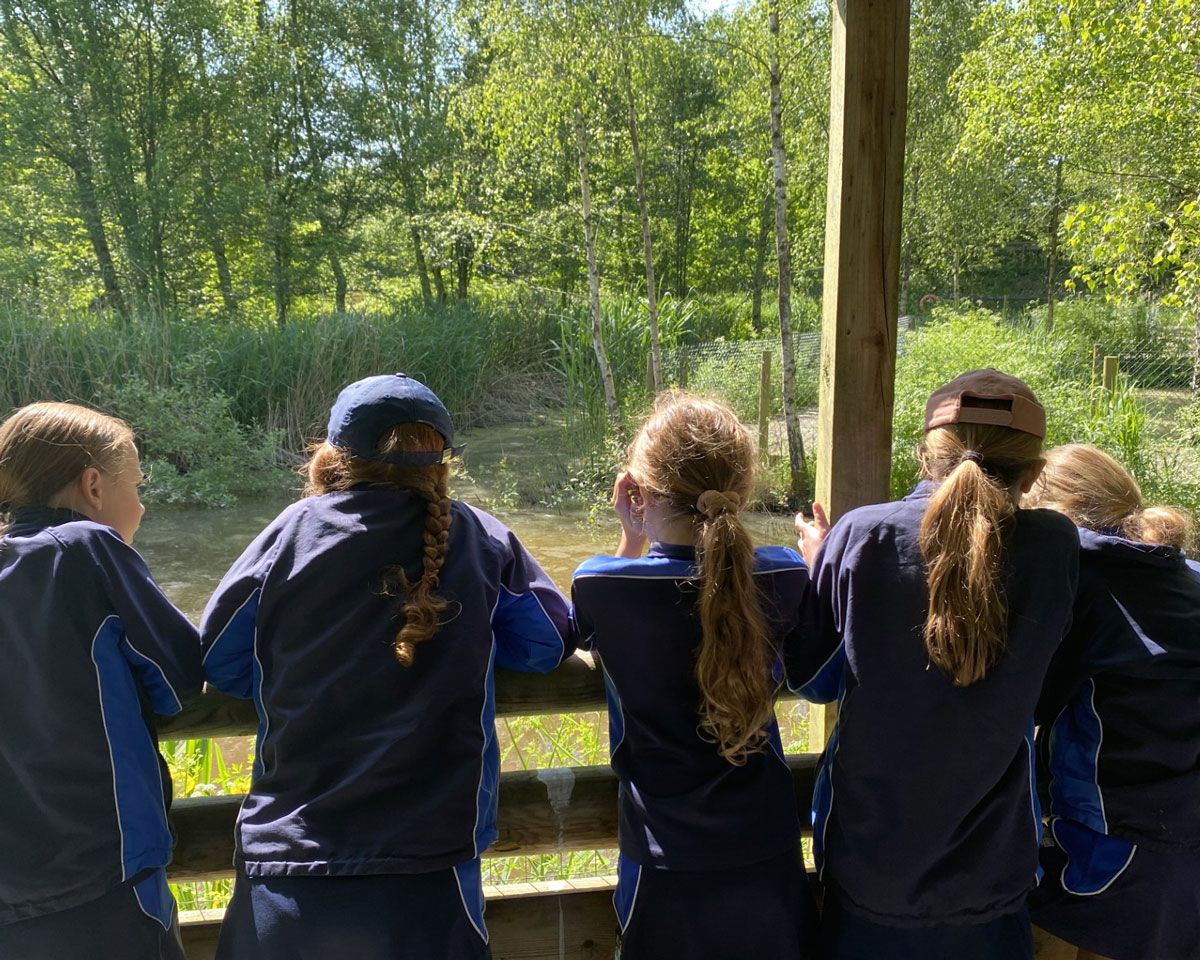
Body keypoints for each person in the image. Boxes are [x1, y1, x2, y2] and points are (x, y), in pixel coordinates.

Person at [202, 373, 573, 960]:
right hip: (433, 858)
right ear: (442, 460)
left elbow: (222, 659)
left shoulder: (291, 532)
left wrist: (303, 673)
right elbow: (548, 643)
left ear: (333, 455)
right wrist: (464, 643)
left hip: (290, 857)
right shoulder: (478, 536)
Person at [792, 369, 1079, 960]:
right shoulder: (1055, 546)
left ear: (925, 455)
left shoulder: (861, 536)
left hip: (869, 869)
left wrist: (825, 564)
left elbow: (809, 679)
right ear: (1034, 471)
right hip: (992, 877)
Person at [571, 392, 817, 960]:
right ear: (744, 489)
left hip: (663, 856)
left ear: (639, 492)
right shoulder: (783, 573)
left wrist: (631, 538)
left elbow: (600, 619)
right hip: (766, 847)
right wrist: (819, 557)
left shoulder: (602, 584)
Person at [0, 402, 202, 960]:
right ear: (93, 487)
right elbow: (180, 670)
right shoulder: (86, 550)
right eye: (135, 486)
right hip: (103, 881)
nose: (139, 506)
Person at [1021, 444, 1200, 960]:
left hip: (1096, 858)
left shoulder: (1075, 582)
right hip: (1179, 862)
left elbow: (1018, 700)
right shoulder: (1186, 576)